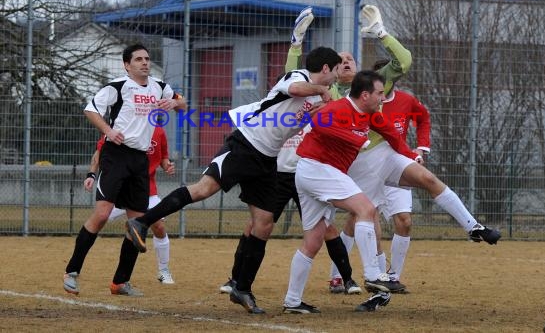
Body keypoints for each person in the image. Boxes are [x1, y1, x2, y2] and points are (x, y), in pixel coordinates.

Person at [289, 5, 501, 295]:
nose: (346, 62)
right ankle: (358, 275)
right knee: (363, 218)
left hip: (383, 155)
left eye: (351, 58)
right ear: (333, 71)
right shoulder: (333, 96)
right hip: (353, 165)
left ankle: (472, 226)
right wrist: (296, 44)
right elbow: (300, 90)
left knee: (426, 180)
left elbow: (403, 62)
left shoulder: (371, 87)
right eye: (341, 61)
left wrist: (381, 33)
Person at [126, 46, 341, 313]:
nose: (335, 79)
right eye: (335, 72)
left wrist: (325, 108)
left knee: (264, 224)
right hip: (245, 144)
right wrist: (320, 91)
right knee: (203, 189)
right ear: (325, 69)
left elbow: (303, 117)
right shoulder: (297, 77)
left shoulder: (316, 99)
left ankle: (242, 288)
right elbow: (295, 90)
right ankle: (141, 222)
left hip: (266, 159)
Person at [282, 70, 420, 314]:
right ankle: (373, 274)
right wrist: (355, 139)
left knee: (313, 241)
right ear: (365, 95)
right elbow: (318, 124)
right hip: (317, 168)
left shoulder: (371, 116)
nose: (382, 98)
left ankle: (292, 301)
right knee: (365, 209)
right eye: (379, 93)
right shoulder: (339, 108)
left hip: (316, 172)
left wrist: (413, 156)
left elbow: (395, 139)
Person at [63, 43, 187, 297]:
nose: (145, 62)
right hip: (116, 155)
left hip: (140, 160)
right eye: (139, 59)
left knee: (137, 223)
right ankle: (72, 272)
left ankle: (120, 282)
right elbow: (90, 109)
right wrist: (108, 131)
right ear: (127, 65)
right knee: (102, 214)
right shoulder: (118, 86)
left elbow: (182, 103)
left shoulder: (159, 86)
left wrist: (174, 105)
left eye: (147, 58)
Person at [219, 127, 362, 296]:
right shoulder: (279, 113)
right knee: (255, 225)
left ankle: (348, 279)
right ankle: (235, 279)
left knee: (326, 227)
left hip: (306, 174)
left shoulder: (317, 113)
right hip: (277, 175)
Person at [329, 58, 431, 293]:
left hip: (395, 166)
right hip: (368, 167)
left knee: (404, 220)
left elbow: (423, 118)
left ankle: (392, 277)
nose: (382, 87)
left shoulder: (405, 100)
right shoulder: (361, 103)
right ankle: (339, 275)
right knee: (360, 218)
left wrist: (421, 148)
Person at [84, 126, 177, 285]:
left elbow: (163, 159)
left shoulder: (159, 131)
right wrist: (91, 174)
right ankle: (76, 264)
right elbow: (100, 151)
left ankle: (163, 271)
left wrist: (167, 165)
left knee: (159, 227)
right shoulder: (122, 124)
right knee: (98, 220)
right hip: (119, 190)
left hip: (146, 191)